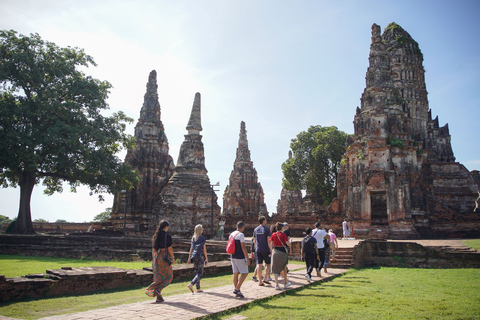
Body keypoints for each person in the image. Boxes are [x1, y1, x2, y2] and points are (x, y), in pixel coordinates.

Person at [145, 220, 174, 303]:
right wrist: (173, 258)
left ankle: (158, 297)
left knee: (159, 277)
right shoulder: (167, 236)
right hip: (165, 257)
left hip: (157, 257)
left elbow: (154, 250)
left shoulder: (156, 236)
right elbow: (169, 248)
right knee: (169, 276)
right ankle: (156, 289)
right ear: (166, 227)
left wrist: (154, 260)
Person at [229, 221, 250, 298]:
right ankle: (237, 289)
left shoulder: (232, 234)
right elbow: (243, 247)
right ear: (242, 227)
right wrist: (247, 258)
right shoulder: (241, 235)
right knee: (245, 273)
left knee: (235, 273)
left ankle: (237, 291)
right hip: (239, 256)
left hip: (233, 255)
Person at [187, 224, 208, 294]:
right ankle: (191, 284)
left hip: (194, 256)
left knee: (197, 272)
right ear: (200, 230)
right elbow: (204, 250)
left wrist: (189, 257)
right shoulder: (202, 238)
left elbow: (191, 248)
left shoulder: (193, 238)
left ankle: (198, 288)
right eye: (202, 229)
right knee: (200, 272)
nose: (203, 230)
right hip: (200, 256)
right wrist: (206, 258)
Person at [270, 222, 291, 290]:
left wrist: (272, 250)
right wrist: (290, 245)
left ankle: (276, 285)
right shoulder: (284, 235)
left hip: (275, 251)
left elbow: (271, 244)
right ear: (281, 228)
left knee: (275, 269)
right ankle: (285, 283)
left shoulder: (273, 234)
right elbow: (287, 243)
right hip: (282, 252)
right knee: (284, 267)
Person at [253, 215, 272, 286]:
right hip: (265, 249)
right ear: (263, 221)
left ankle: (260, 281)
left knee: (259, 264)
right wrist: (271, 249)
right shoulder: (267, 229)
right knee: (268, 264)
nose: (266, 221)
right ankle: (265, 278)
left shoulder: (256, 229)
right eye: (265, 220)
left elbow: (254, 240)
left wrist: (255, 248)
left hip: (258, 249)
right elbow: (268, 240)